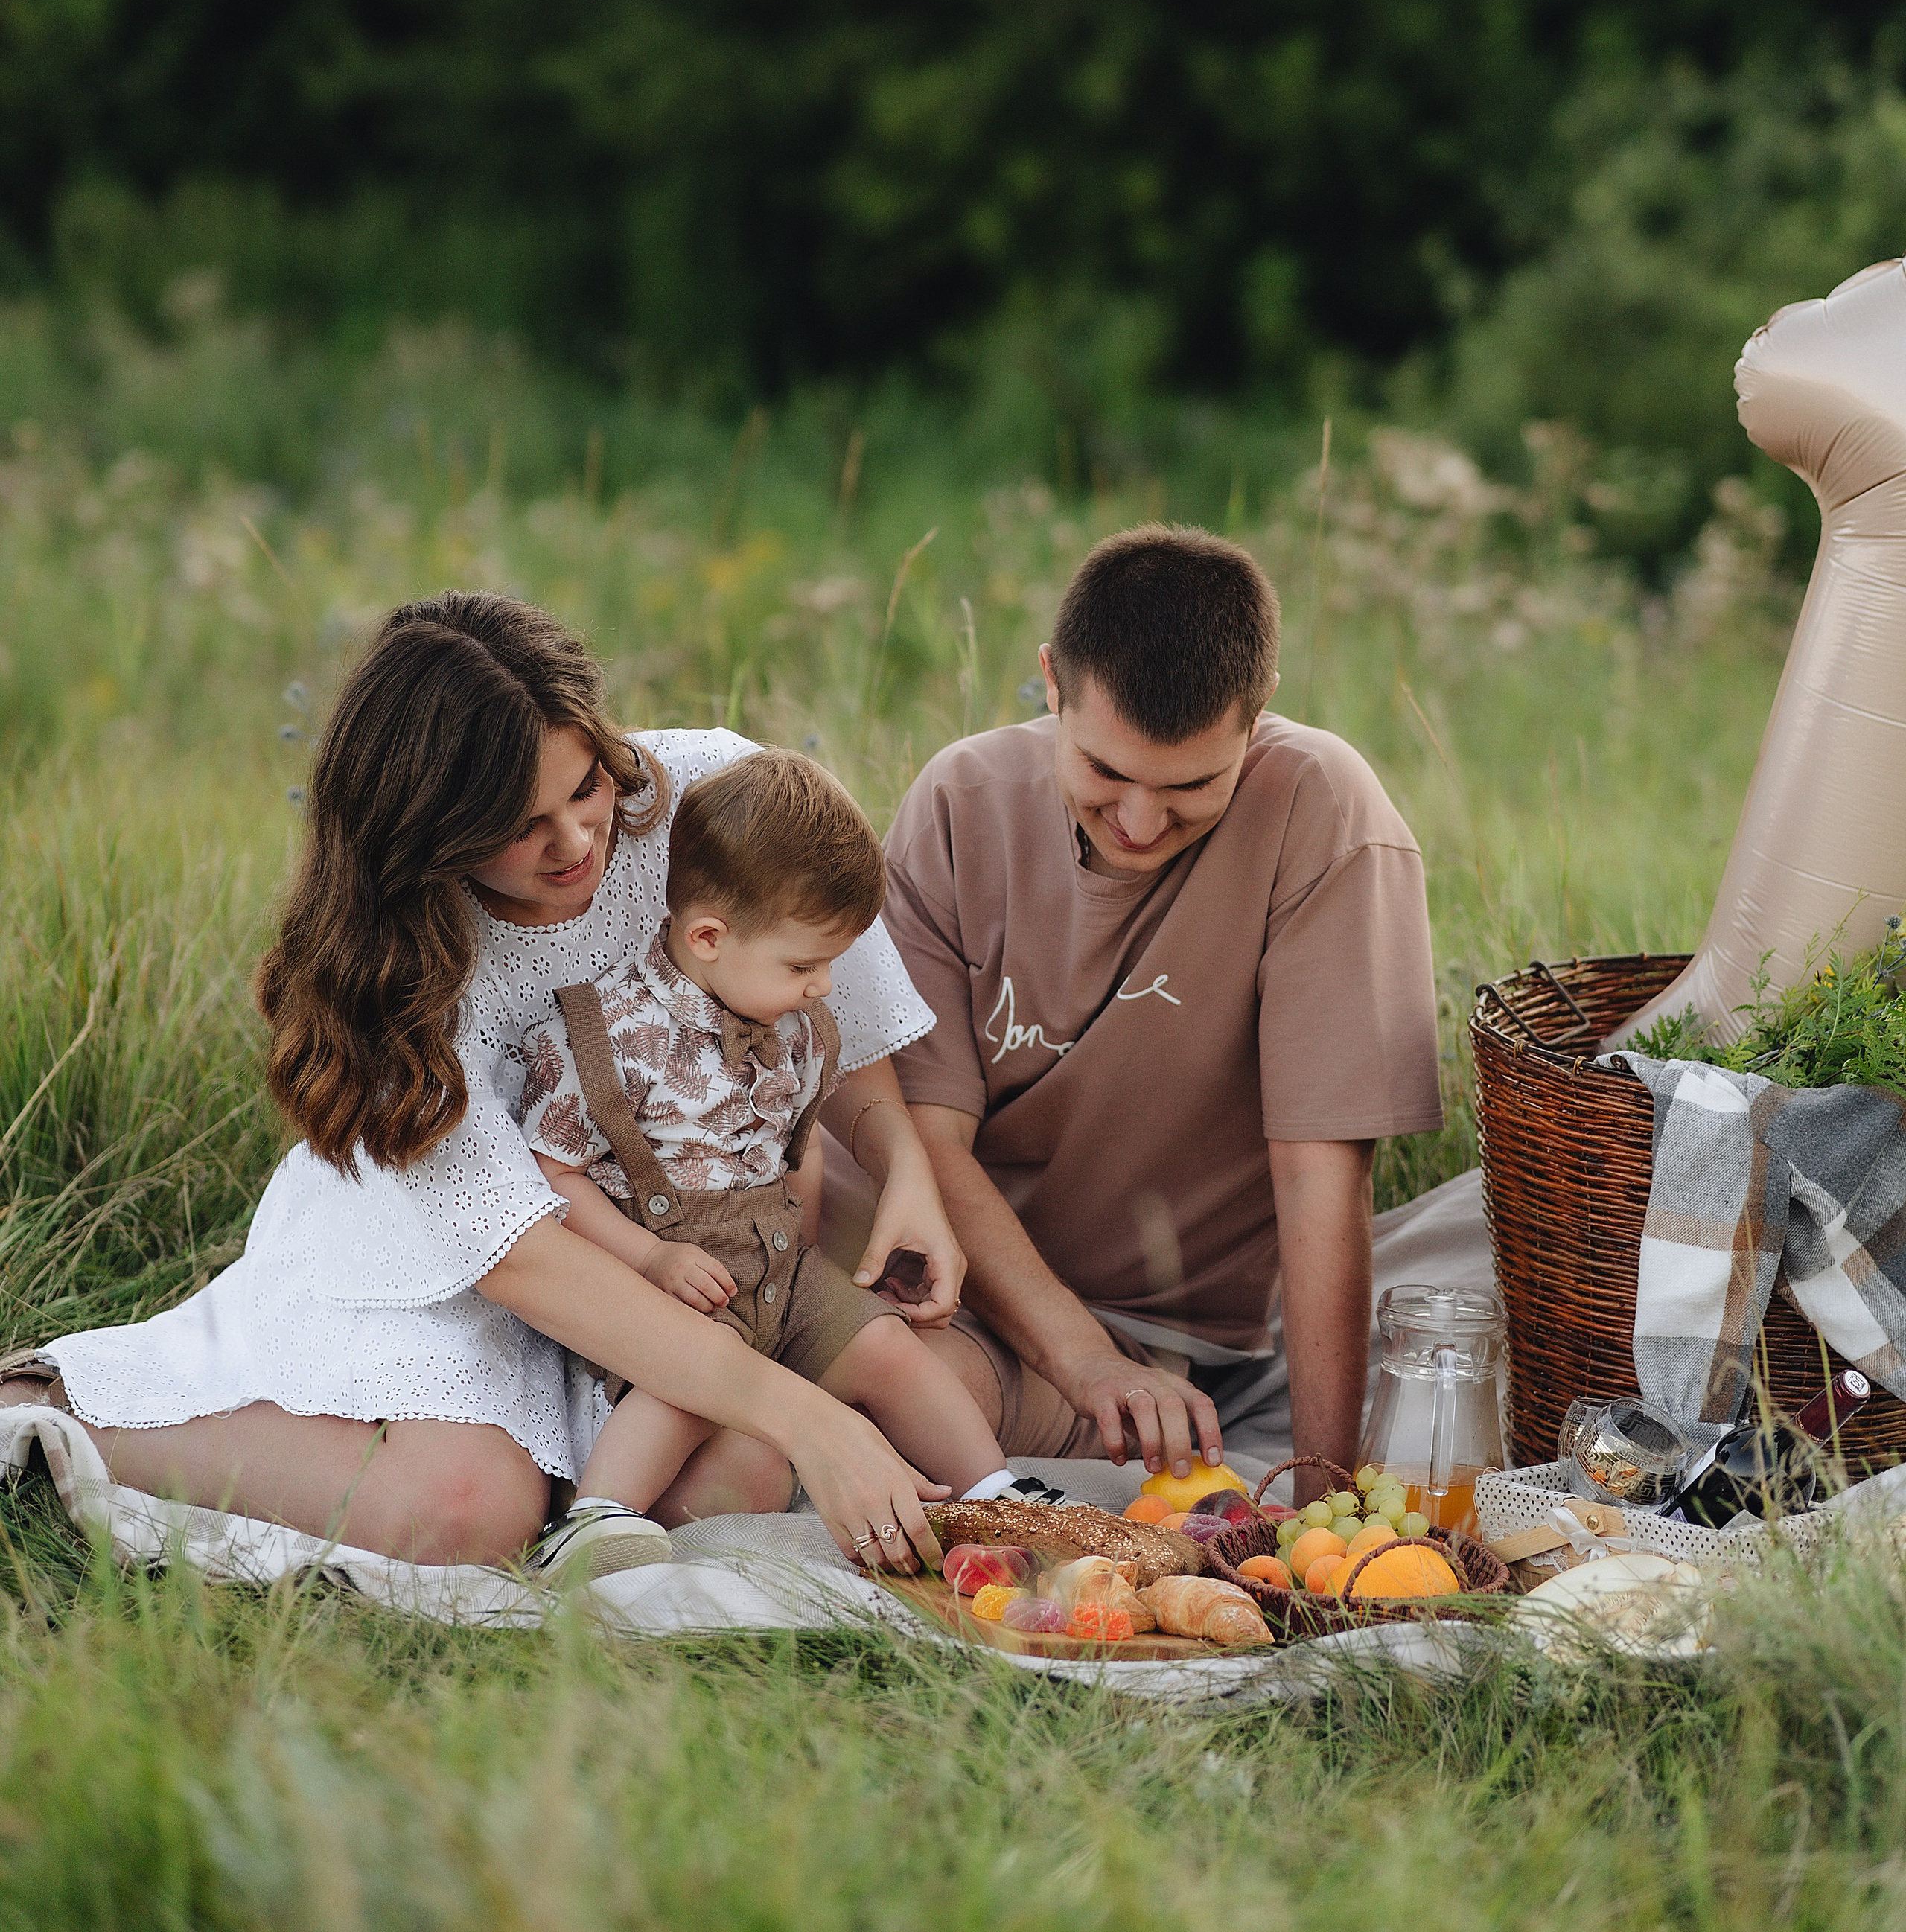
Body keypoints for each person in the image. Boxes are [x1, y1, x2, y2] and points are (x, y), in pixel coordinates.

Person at [0, 595, 967, 1577]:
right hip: (453, 1239)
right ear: (427, 832)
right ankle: (50, 1407)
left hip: (661, 1233)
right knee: (469, 1508)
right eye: (518, 826)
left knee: (738, 1479)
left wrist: (906, 1175)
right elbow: (524, 1259)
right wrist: (812, 1421)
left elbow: (833, 1019)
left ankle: (598, 1480)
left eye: (586, 784)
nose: (577, 842)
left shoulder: (714, 794)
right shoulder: (395, 971)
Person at [873, 523, 1444, 1483]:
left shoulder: (1323, 812)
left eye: (1191, 786)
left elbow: (1320, 1176)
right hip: (951, 1286)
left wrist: (1322, 1493)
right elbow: (928, 1143)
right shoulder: (958, 800)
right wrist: (1080, 1358)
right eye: (1104, 772)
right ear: (1051, 683)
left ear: (1256, 718)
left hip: (1164, 1333)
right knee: (852, 1405)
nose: (1141, 823)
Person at [519, 747, 1010, 1523]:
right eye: (804, 965)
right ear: (709, 937)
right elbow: (554, 1179)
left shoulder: (796, 1026)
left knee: (886, 1345)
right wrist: (651, 1257)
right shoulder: (603, 1037)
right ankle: (597, 1518)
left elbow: (800, 1145)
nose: (821, 985)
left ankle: (998, 1491)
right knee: (681, 1383)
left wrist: (803, 1273)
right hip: (668, 1279)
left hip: (783, 1272)